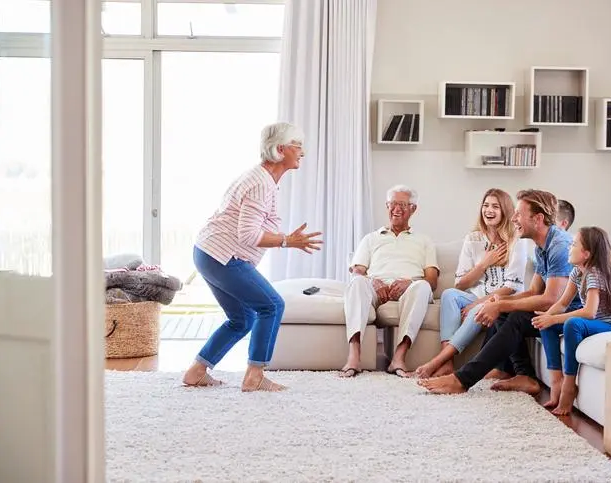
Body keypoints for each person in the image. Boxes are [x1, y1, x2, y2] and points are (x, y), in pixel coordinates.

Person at [182, 122, 323, 392]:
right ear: (281, 150)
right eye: (298, 145)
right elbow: (248, 235)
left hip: (208, 253)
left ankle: (196, 371)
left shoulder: (261, 178)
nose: (302, 151)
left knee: (242, 318)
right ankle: (255, 376)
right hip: (223, 256)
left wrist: (285, 239)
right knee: (272, 305)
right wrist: (287, 241)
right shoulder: (261, 184)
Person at [418, 189, 582, 395]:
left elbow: (549, 300)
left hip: (569, 315)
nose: (513, 218)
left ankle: (462, 379)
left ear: (538, 219)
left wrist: (501, 304)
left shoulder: (559, 245)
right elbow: (533, 291)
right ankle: (523, 375)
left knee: (515, 317)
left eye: (519, 214)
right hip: (554, 311)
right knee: (506, 312)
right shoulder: (543, 246)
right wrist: (498, 301)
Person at [414, 189, 528, 379]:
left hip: (503, 298)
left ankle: (437, 361)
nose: (488, 210)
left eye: (495, 206)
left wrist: (477, 303)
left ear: (506, 210)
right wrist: (484, 263)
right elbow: (460, 284)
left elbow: (512, 286)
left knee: (478, 309)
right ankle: (448, 363)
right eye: (485, 205)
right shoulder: (473, 239)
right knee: (449, 294)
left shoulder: (517, 240)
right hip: (477, 295)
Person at [532, 226, 611, 415]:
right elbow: (562, 303)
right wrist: (547, 318)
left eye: (573, 245)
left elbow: (589, 313)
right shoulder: (577, 272)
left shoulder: (594, 274)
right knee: (546, 323)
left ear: (586, 253)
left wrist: (554, 319)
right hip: (594, 322)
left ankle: (569, 385)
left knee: (572, 323)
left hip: (608, 324)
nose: (569, 248)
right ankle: (557, 381)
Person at [341, 185, 439, 378]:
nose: (396, 209)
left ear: (413, 209)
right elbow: (358, 271)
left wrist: (409, 283)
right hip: (375, 287)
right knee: (357, 282)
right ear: (387, 206)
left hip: (409, 289)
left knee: (422, 287)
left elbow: (432, 280)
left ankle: (398, 358)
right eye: (392, 204)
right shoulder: (370, 239)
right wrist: (372, 280)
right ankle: (354, 356)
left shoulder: (424, 241)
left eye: (403, 204)